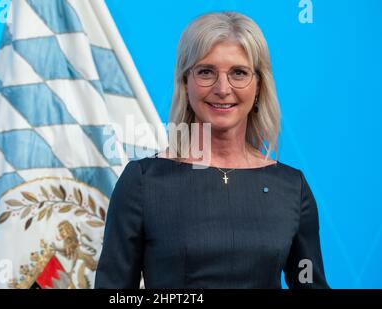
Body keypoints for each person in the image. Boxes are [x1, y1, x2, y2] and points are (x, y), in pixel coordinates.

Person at [94, 11, 329, 289]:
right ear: (185, 82)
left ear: (259, 86)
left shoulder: (291, 187)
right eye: (206, 72)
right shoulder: (143, 182)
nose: (222, 88)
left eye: (238, 73)